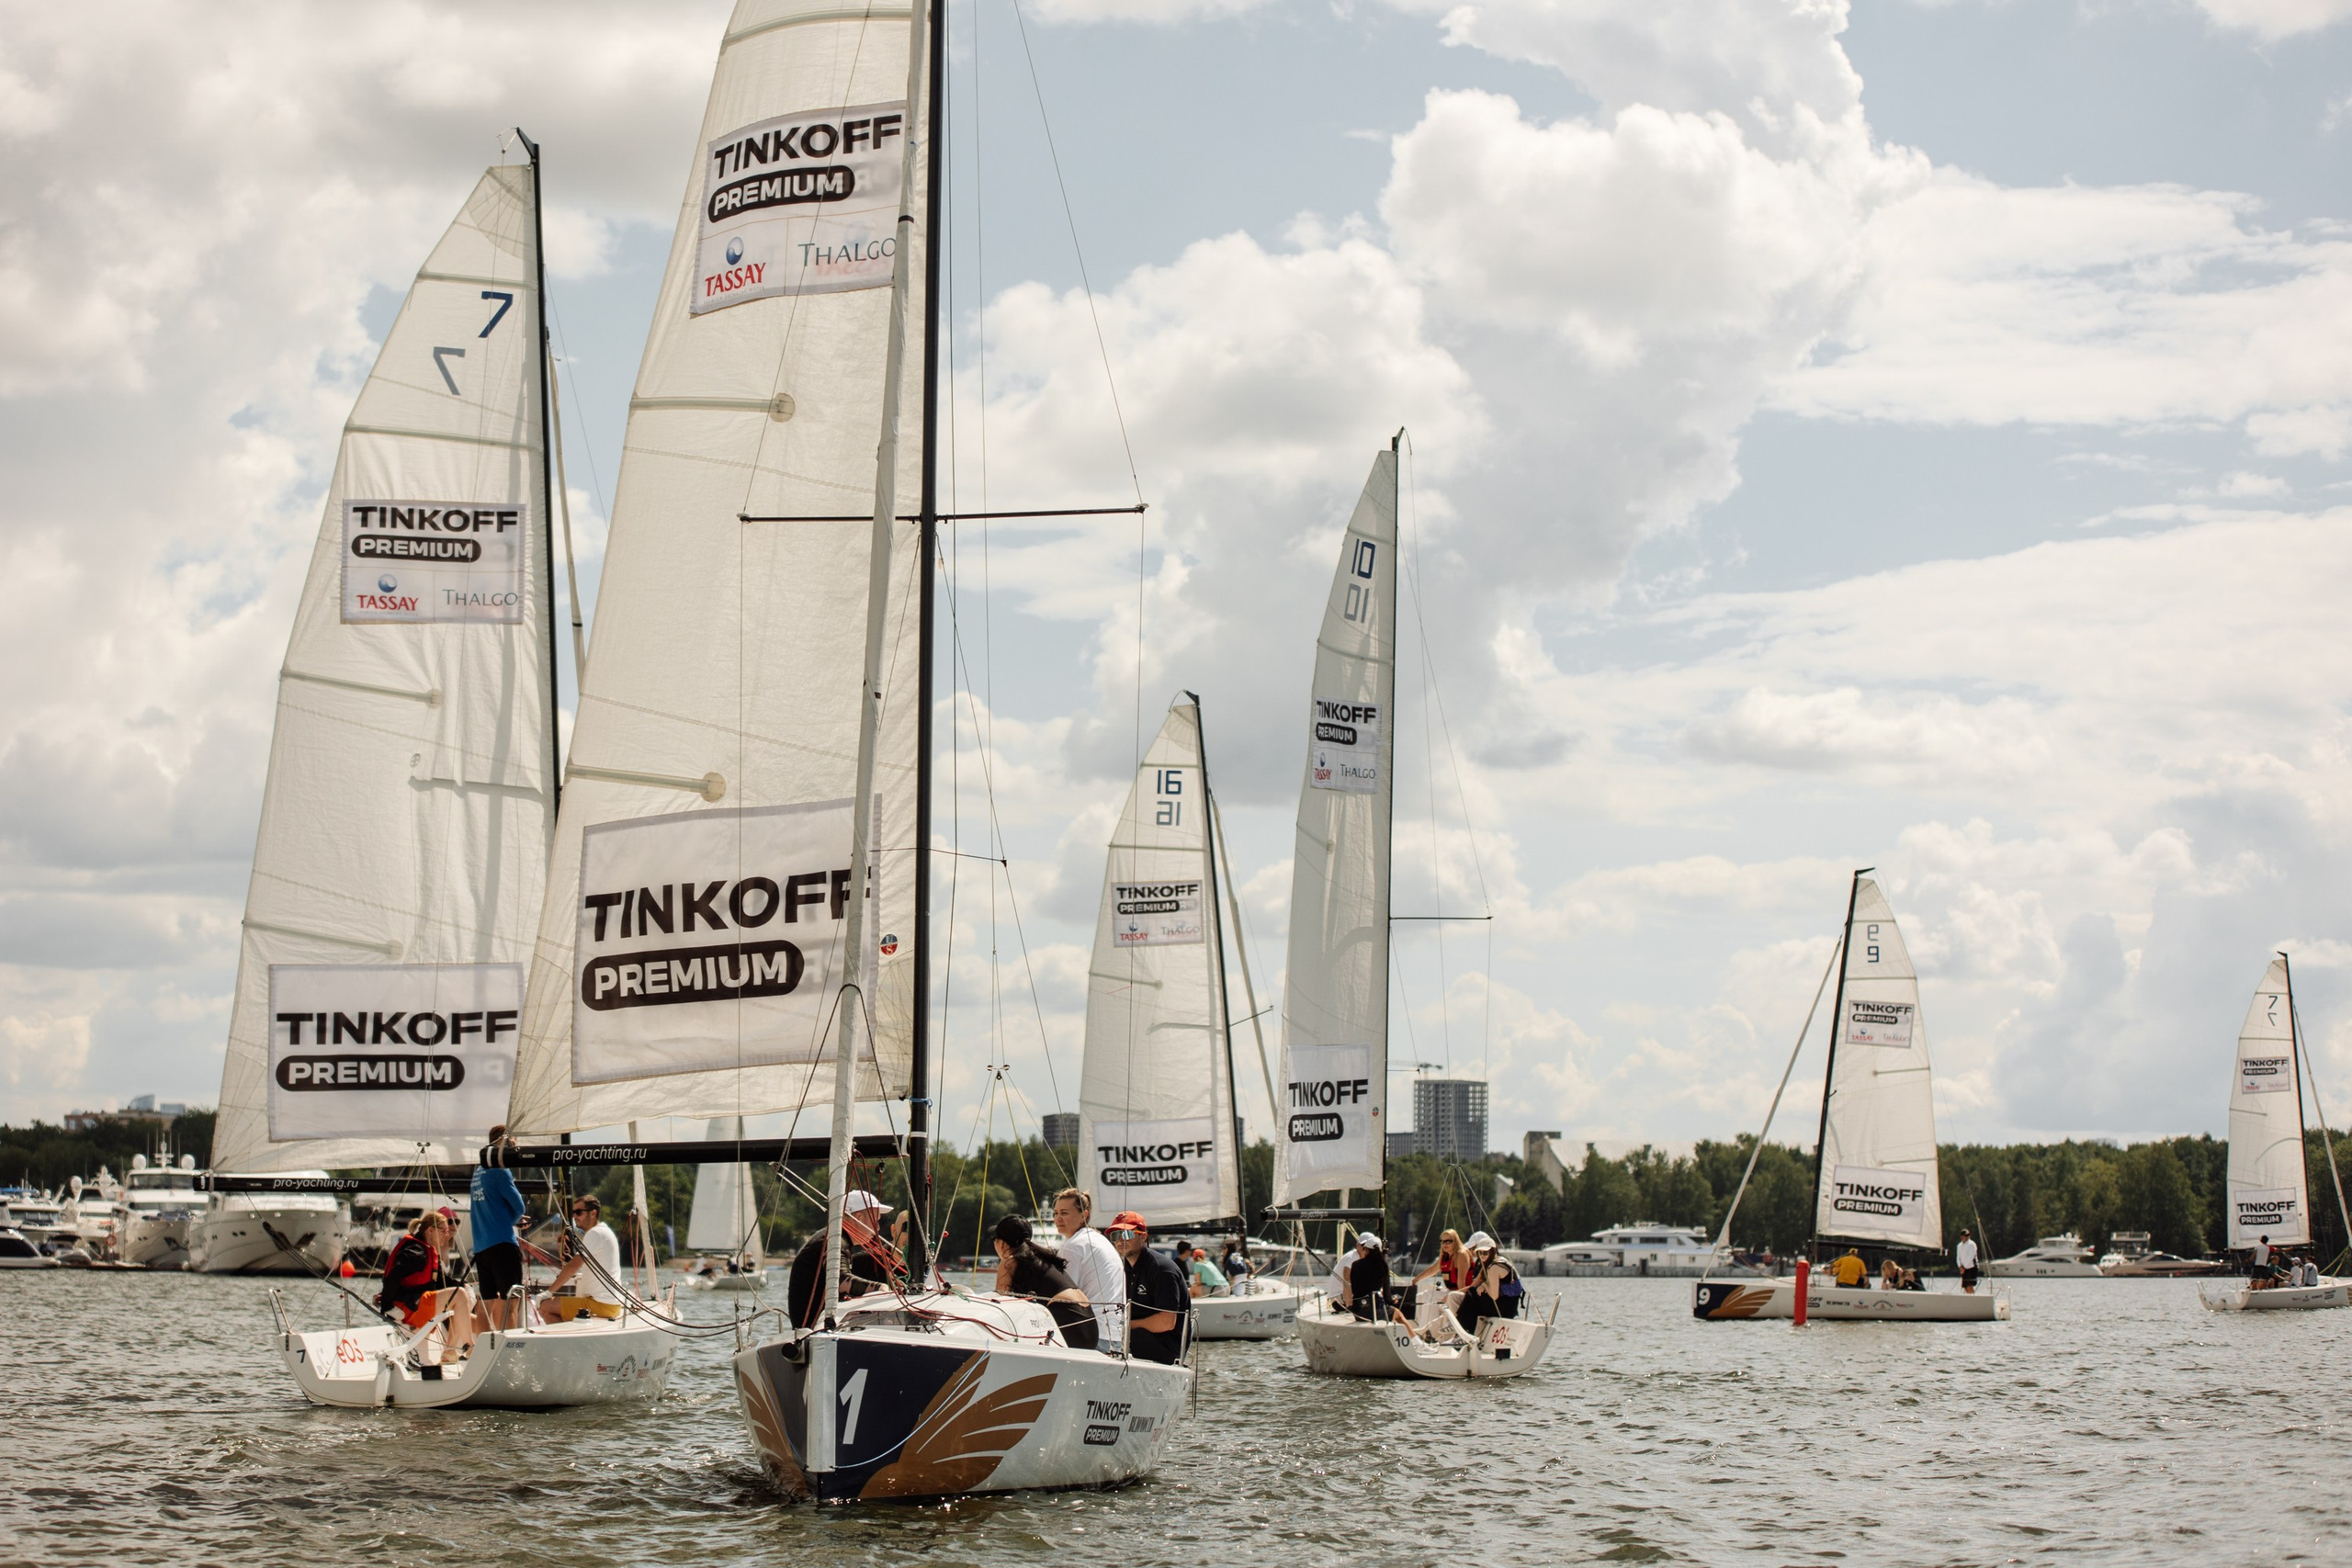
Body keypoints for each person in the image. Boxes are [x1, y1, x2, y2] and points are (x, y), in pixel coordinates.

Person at [786, 1190, 901, 1330]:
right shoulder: (833, 1241)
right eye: (876, 1221)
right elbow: (840, 1281)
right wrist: (880, 1287)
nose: (877, 1228)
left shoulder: (836, 1238)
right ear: (859, 1217)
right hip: (811, 1332)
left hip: (817, 1327)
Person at [376, 1212, 477, 1358]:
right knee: (459, 1295)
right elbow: (392, 1277)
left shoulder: (427, 1251)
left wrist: (465, 1285)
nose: (446, 1236)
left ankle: (450, 1352)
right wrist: (387, 1306)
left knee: (460, 1292)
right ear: (430, 1230)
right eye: (443, 1231)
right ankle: (470, 1348)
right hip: (410, 1308)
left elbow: (442, 1280)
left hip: (417, 1303)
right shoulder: (416, 1252)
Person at [992, 1215, 1099, 1349]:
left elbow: (1001, 1306)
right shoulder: (1041, 1259)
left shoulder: (1009, 1262)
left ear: (1001, 1243)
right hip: (1089, 1328)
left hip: (1069, 1327)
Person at [1107, 1211, 1189, 1363]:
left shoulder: (1162, 1269)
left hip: (1165, 1349)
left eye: (1126, 1235)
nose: (1120, 1241)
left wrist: (1127, 1326)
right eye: (1115, 1236)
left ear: (1143, 1236)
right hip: (1135, 1344)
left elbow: (1167, 1321)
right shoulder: (1123, 1267)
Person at [469, 1125, 530, 1329]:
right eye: (513, 1144)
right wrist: (510, 1221)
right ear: (504, 1142)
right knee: (511, 1303)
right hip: (503, 1244)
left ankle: (479, 1352)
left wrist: (505, 1218)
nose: (514, 1149)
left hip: (481, 1247)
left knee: (486, 1302)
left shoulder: (478, 1172)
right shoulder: (500, 1171)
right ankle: (509, 1352)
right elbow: (519, 1207)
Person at [1051, 1188, 1127, 1348]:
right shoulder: (1100, 1240)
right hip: (1115, 1335)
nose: (1058, 1218)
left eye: (1064, 1213)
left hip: (1091, 1336)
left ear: (1084, 1215)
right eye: (1055, 1213)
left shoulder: (1074, 1246)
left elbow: (1061, 1295)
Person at [546, 1195, 626, 1319]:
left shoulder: (596, 1233)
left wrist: (548, 1292)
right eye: (573, 1212)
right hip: (609, 1304)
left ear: (593, 1213)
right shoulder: (604, 1231)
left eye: (579, 1212)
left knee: (545, 1306)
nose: (574, 1216)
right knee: (563, 1309)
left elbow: (573, 1266)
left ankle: (563, 1339)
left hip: (602, 1304)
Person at [1339, 1233, 1391, 1320]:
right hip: (1375, 1310)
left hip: (1358, 1310)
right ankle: (1413, 1334)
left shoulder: (1355, 1264)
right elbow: (1387, 1296)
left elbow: (1353, 1287)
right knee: (1398, 1314)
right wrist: (1392, 1302)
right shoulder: (1383, 1267)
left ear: (1366, 1250)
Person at [1412, 1229, 1475, 1296]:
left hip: (1462, 1292)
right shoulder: (1445, 1256)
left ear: (1455, 1241)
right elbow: (1433, 1269)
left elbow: (1461, 1279)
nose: (1444, 1244)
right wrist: (1416, 1279)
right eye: (1442, 1241)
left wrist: (1461, 1298)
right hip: (1450, 1290)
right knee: (1421, 1295)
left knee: (1427, 1296)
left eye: (1448, 1241)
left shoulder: (1461, 1254)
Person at [1954, 1229, 1980, 1293]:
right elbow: (1958, 1257)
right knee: (1965, 1286)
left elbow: (1971, 1257)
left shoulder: (1972, 1244)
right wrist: (1960, 1267)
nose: (1965, 1237)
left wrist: (1964, 1267)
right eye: (1963, 1236)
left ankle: (1973, 1299)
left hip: (1971, 1267)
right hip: (1963, 1269)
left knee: (1969, 1285)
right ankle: (1969, 1299)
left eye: (1966, 1235)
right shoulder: (1959, 1246)